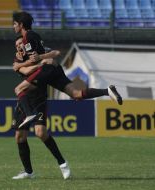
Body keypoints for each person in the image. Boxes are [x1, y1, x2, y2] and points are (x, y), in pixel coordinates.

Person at [12, 11, 123, 128]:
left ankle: (30, 114)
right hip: (54, 68)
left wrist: (19, 65)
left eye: (15, 24)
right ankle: (107, 91)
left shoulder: (27, 37)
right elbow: (51, 53)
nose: (13, 26)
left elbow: (34, 59)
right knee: (76, 94)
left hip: (46, 70)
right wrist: (38, 57)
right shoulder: (33, 36)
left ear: (21, 24)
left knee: (19, 89)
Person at [12, 35, 71, 180]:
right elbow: (25, 72)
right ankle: (28, 172)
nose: (19, 46)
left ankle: (62, 163)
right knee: (19, 137)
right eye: (17, 45)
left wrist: (43, 58)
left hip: (39, 99)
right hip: (24, 100)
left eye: (21, 43)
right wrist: (41, 64)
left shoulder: (37, 52)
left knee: (40, 133)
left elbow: (55, 54)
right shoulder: (18, 60)